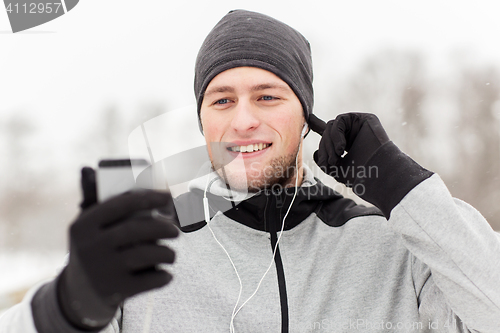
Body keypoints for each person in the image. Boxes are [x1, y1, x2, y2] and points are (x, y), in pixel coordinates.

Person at [1, 9, 499, 333]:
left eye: (267, 96)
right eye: (222, 100)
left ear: (304, 117)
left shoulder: (392, 243)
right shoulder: (150, 240)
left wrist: (407, 189)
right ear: (203, 122)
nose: (243, 119)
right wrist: (69, 306)